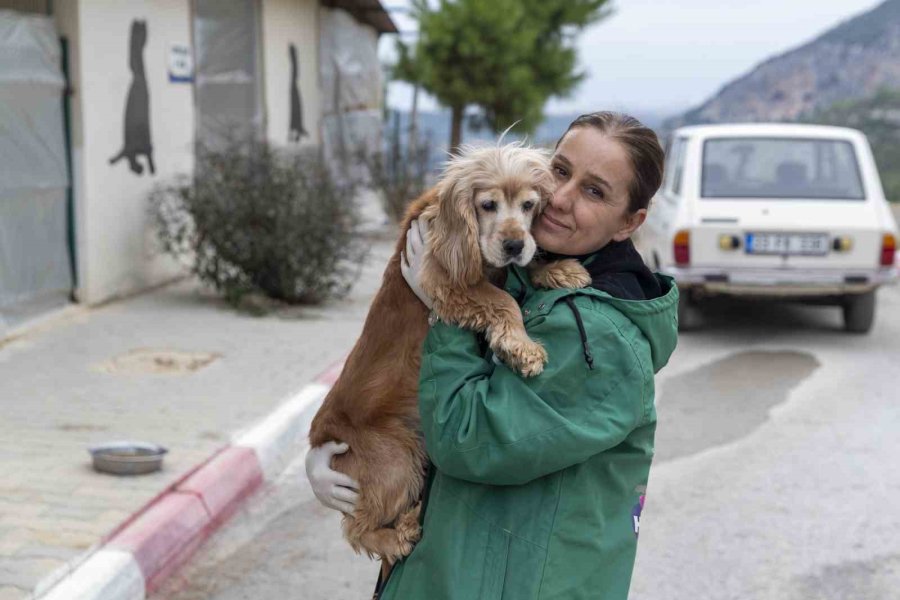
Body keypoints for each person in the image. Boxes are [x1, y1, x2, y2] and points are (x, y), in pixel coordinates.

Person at [306, 112, 679, 599]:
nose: (559, 198)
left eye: (594, 192)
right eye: (560, 171)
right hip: (454, 569)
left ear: (629, 222)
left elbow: (466, 441)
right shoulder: (527, 273)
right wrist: (340, 445)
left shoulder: (601, 339)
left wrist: (446, 306)